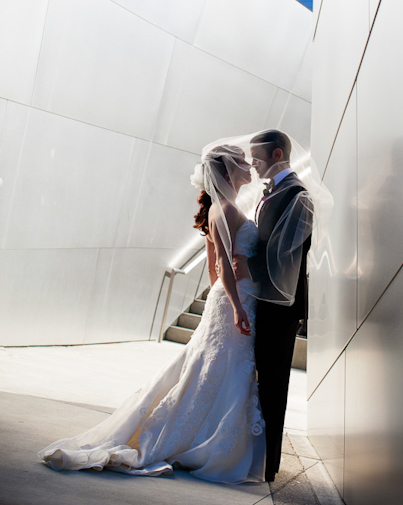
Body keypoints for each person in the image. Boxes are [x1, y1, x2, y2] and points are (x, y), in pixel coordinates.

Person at [38, 145, 266, 484]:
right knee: (226, 367)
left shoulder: (223, 208)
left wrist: (224, 298)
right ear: (229, 169)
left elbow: (213, 268)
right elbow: (222, 267)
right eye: (243, 162)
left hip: (234, 298)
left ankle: (202, 434)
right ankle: (204, 442)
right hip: (237, 300)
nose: (249, 167)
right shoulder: (226, 209)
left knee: (215, 367)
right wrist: (234, 305)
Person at [235, 130, 314, 482]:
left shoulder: (297, 195)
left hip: (282, 307)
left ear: (278, 154)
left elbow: (286, 253)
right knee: (261, 380)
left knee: (273, 382)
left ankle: (269, 463)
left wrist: (246, 266)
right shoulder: (275, 191)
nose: (253, 166)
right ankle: (255, 454)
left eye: (257, 159)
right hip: (265, 300)